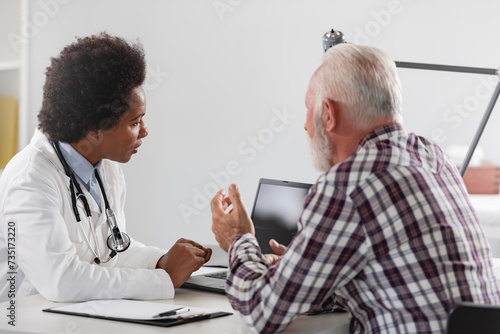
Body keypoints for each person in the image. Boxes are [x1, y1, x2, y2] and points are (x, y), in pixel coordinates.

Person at [210, 43, 500, 333]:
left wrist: (240, 238)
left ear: (327, 114)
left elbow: (263, 311)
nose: (305, 127)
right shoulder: (434, 156)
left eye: (307, 111)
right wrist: (307, 269)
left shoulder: (347, 185)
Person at [0, 32, 211, 303]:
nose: (144, 132)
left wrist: (160, 260)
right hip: (22, 322)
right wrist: (164, 277)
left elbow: (109, 251)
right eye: (135, 122)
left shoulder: (105, 170)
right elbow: (62, 281)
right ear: (94, 128)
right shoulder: (30, 179)